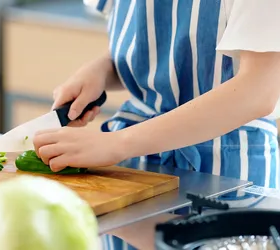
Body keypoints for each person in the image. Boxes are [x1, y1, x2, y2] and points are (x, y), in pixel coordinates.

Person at [33, 0, 280, 249]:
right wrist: (102, 69)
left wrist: (118, 143)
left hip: (225, 172)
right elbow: (157, 46)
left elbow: (258, 91)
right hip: (137, 167)